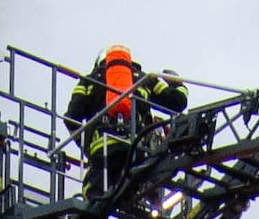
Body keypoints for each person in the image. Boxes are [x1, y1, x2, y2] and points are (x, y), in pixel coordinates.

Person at [62, 45, 186, 203]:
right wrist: (178, 84)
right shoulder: (145, 79)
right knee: (137, 188)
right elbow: (178, 102)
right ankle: (147, 206)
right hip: (137, 147)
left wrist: (87, 147)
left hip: (102, 149)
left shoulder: (88, 81)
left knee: (94, 195)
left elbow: (71, 118)